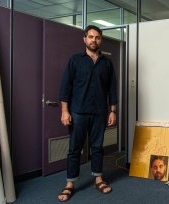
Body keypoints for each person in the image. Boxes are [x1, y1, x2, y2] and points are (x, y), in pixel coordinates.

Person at [57, 25, 117, 202]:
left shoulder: (107, 63)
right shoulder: (75, 60)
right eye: (90, 37)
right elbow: (65, 88)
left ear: (101, 40)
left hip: (100, 113)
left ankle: (98, 179)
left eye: (97, 37)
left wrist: (113, 111)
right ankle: (70, 184)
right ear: (85, 39)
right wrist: (64, 111)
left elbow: (112, 89)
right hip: (78, 113)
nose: (94, 40)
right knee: (75, 149)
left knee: (98, 147)